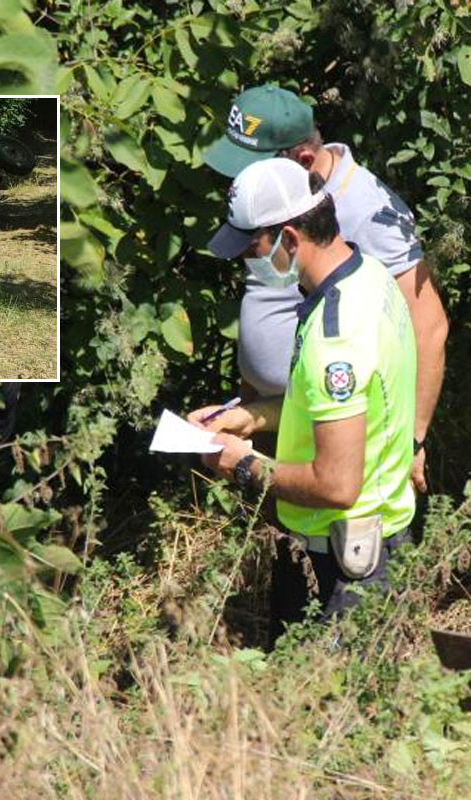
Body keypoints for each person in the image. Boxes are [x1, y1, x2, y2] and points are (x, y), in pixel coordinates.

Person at [189, 158, 417, 638]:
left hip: (345, 568)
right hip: (375, 541)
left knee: (324, 708)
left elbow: (336, 485)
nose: (244, 265)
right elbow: (346, 408)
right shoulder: (369, 276)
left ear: (291, 239)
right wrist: (249, 419)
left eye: (253, 248)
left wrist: (241, 465)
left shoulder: (335, 337)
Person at [203, 85, 448, 493]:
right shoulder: (269, 201)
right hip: (280, 416)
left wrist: (412, 439)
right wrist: (247, 411)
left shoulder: (368, 213)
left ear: (302, 161)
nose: (240, 181)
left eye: (253, 167)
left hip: (334, 429)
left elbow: (429, 326)